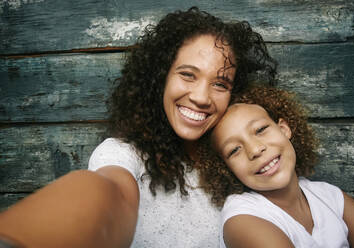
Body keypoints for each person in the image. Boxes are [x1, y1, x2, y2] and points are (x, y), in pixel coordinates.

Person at [0, 7, 277, 248]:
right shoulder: (123, 155)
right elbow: (111, 196)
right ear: (160, 78)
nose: (202, 97)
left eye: (220, 84)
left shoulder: (237, 161)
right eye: (187, 75)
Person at [197, 86, 354, 248]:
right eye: (234, 150)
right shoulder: (242, 220)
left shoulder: (330, 197)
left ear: (284, 129)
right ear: (226, 168)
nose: (255, 150)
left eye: (260, 130)